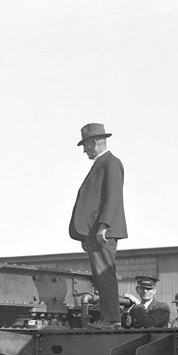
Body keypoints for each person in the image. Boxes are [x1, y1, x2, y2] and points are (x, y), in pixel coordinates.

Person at [69, 123, 127, 328]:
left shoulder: (111, 163)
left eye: (85, 145)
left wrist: (104, 226)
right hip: (95, 232)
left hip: (102, 231)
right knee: (101, 276)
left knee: (104, 275)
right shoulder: (103, 164)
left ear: (94, 142)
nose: (84, 150)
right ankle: (108, 318)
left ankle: (111, 319)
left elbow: (113, 198)